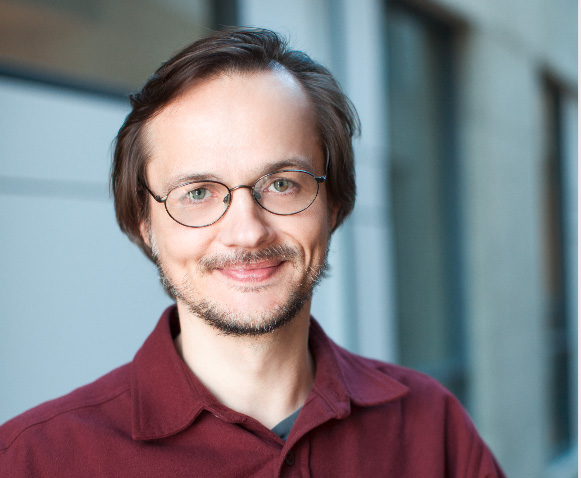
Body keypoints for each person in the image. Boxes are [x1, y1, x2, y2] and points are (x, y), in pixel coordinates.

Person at [0, 28, 505, 477]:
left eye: (282, 183)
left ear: (334, 204)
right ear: (144, 223)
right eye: (198, 192)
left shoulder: (430, 425)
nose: (246, 232)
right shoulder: (33, 460)